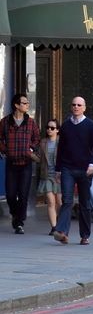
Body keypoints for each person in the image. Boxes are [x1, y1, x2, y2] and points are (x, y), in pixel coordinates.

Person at [53, 96, 93, 245]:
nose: (76, 107)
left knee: (84, 203)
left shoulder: (91, 125)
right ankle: (62, 232)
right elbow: (60, 149)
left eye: (79, 105)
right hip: (67, 168)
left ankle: (85, 235)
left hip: (85, 169)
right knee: (66, 200)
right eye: (73, 104)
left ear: (84, 108)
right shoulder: (66, 125)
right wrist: (58, 169)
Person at [0, 93, 40, 234]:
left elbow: (37, 139)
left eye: (28, 103)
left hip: (26, 164)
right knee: (11, 195)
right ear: (17, 105)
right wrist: (6, 150)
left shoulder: (31, 122)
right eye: (25, 103)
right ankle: (16, 215)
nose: (27, 105)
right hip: (11, 163)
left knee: (23, 195)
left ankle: (19, 222)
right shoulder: (5, 122)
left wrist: (30, 149)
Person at [37, 119, 61, 235]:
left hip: (60, 176)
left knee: (60, 202)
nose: (49, 130)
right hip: (47, 175)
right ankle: (54, 227)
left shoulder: (62, 142)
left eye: (52, 128)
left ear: (57, 130)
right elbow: (39, 158)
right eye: (48, 127)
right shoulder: (43, 142)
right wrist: (29, 154)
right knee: (51, 202)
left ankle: (60, 222)